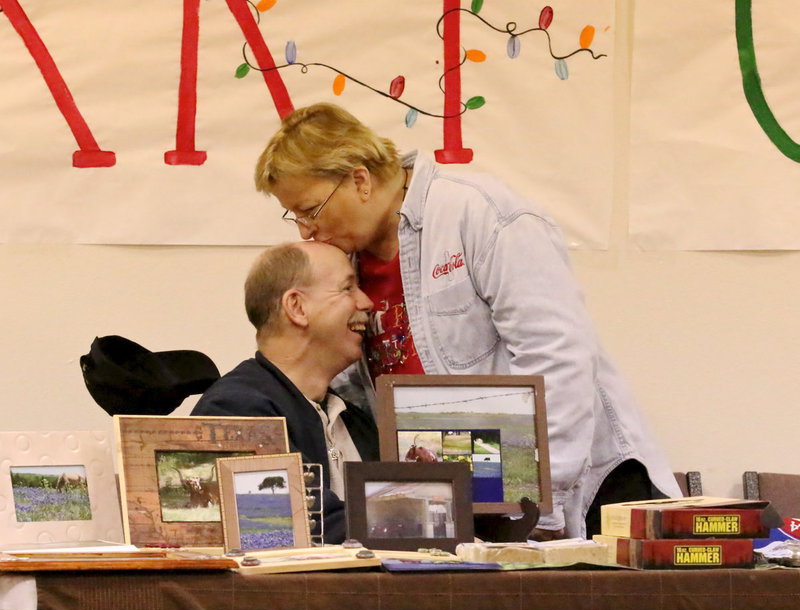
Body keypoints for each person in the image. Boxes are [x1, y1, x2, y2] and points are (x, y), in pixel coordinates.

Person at [253, 103, 682, 539]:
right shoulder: (345, 262)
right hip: (472, 501)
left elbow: (558, 359)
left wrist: (538, 506)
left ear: (359, 180)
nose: (306, 231)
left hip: (582, 495)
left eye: (311, 209)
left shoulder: (479, 213)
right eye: (297, 217)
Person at [191, 241, 379, 543]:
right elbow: (306, 524)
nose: (367, 302)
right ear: (297, 307)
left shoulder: (355, 420)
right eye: (348, 288)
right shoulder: (235, 410)